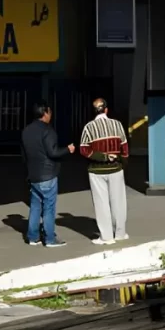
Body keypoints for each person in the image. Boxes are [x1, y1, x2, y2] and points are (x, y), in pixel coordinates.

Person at [21, 100, 74, 247]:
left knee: (35, 206)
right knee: (49, 208)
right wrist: (68, 149)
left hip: (33, 175)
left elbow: (24, 155)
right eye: (49, 112)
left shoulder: (26, 131)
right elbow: (53, 152)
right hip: (48, 175)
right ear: (45, 113)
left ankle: (33, 237)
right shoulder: (48, 130)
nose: (51, 115)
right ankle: (50, 238)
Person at [79, 98, 129, 245]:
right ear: (106, 110)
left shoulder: (89, 127)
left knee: (102, 203)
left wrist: (101, 157)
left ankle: (107, 237)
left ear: (94, 111)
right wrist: (122, 163)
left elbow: (83, 149)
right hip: (116, 169)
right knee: (119, 202)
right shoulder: (117, 124)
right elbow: (125, 148)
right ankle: (120, 233)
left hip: (96, 171)